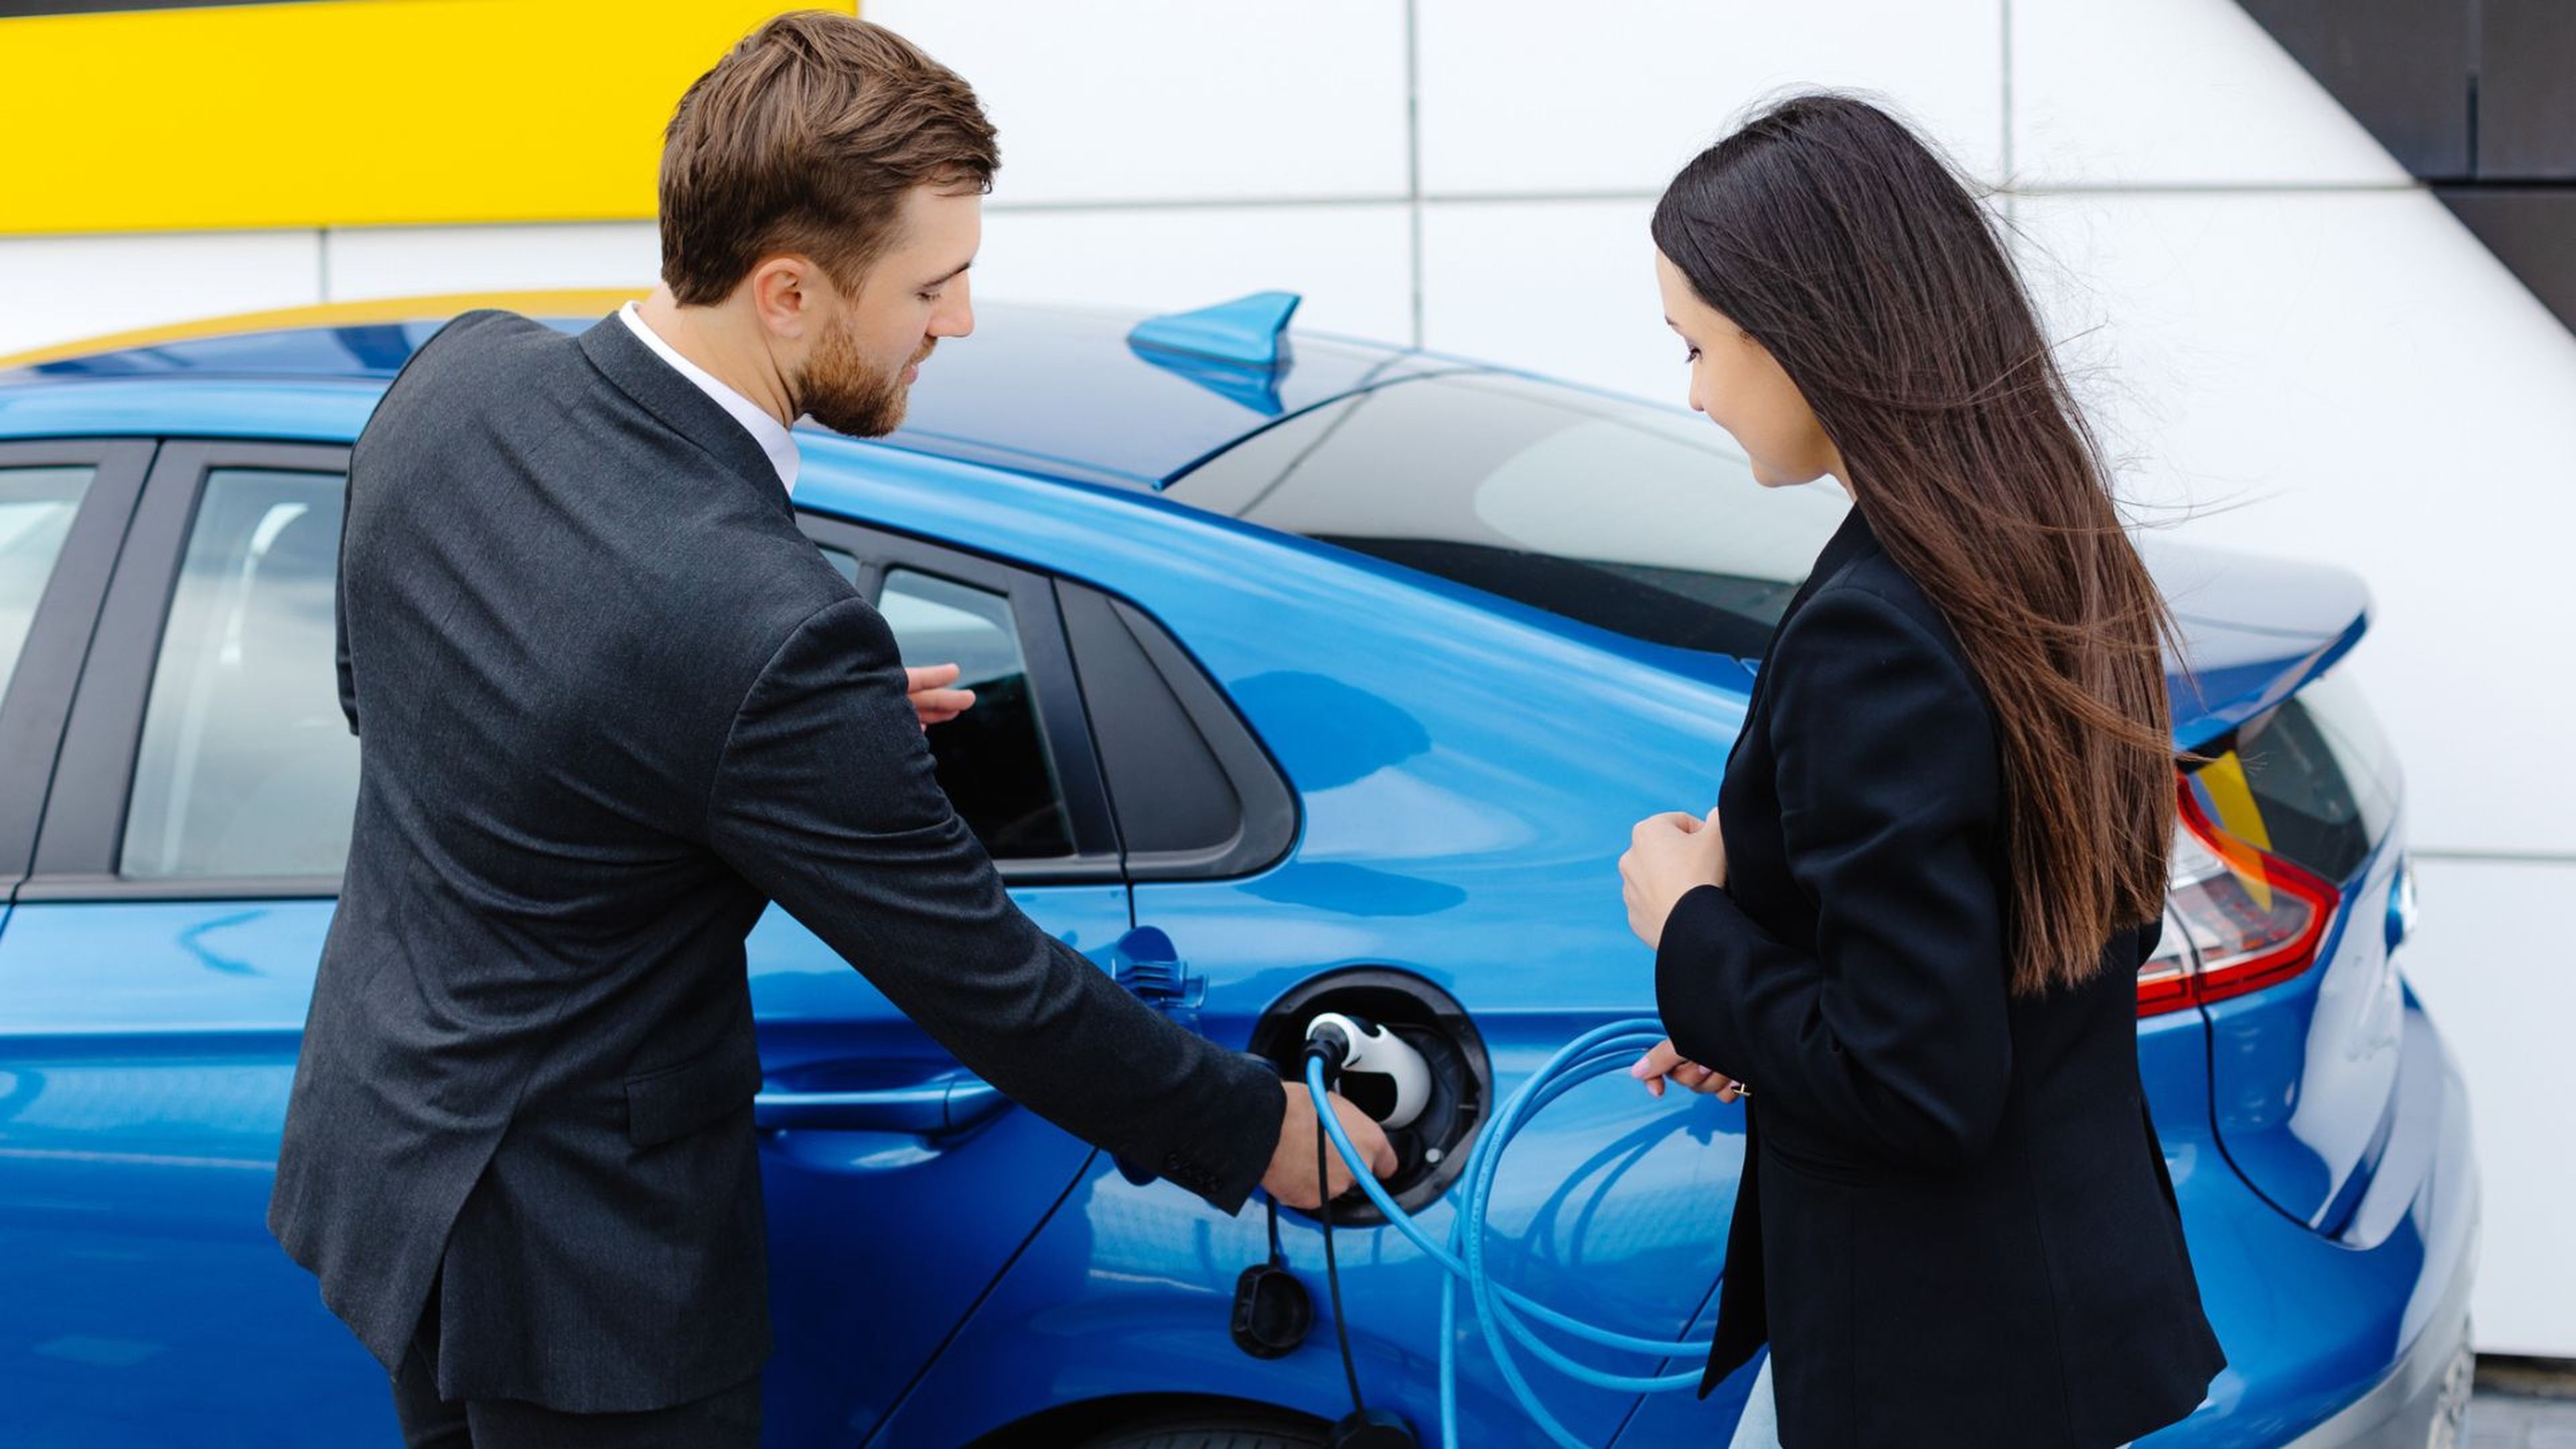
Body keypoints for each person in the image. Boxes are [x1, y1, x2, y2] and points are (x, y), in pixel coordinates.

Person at [266, 15, 1395, 1447]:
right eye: (937, 283)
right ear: (788, 291)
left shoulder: (458, 381)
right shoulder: (765, 627)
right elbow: (986, 981)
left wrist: (752, 756)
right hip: (591, 1282)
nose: (962, 320)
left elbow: (399, 702)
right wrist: (1268, 1133)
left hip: (394, 1168)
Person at [1619, 94, 2226, 1448]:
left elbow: (1916, 1085)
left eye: (1700, 347)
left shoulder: (1874, 629)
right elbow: (2004, 962)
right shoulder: (2049, 543)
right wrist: (1758, 1014)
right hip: (2047, 1327)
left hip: (1932, 1363)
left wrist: (1691, 930)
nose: (1699, 394)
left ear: (1810, 344)